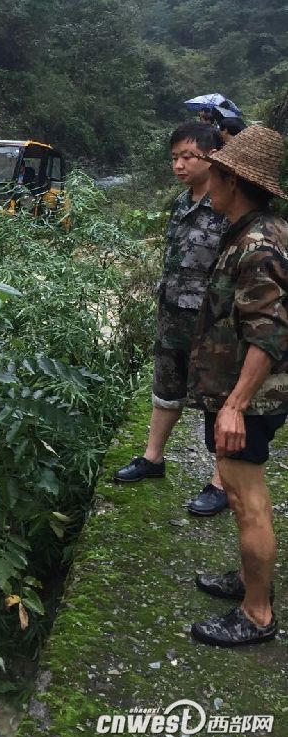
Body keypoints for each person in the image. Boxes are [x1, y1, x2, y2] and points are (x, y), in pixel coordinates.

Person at [187, 125, 288, 646]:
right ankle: (252, 581)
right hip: (238, 395)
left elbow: (270, 331)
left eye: (216, 170)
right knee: (239, 492)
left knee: (248, 500)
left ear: (232, 179)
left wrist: (235, 405)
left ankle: (257, 614)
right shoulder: (260, 228)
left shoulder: (255, 244)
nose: (207, 177)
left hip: (245, 400)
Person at [114, 121, 229, 515]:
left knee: (217, 399)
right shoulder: (182, 202)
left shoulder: (229, 205)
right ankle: (153, 459)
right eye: (174, 158)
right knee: (166, 389)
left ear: (212, 157)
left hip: (210, 322)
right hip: (172, 312)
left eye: (187, 156)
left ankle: (221, 481)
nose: (178, 165)